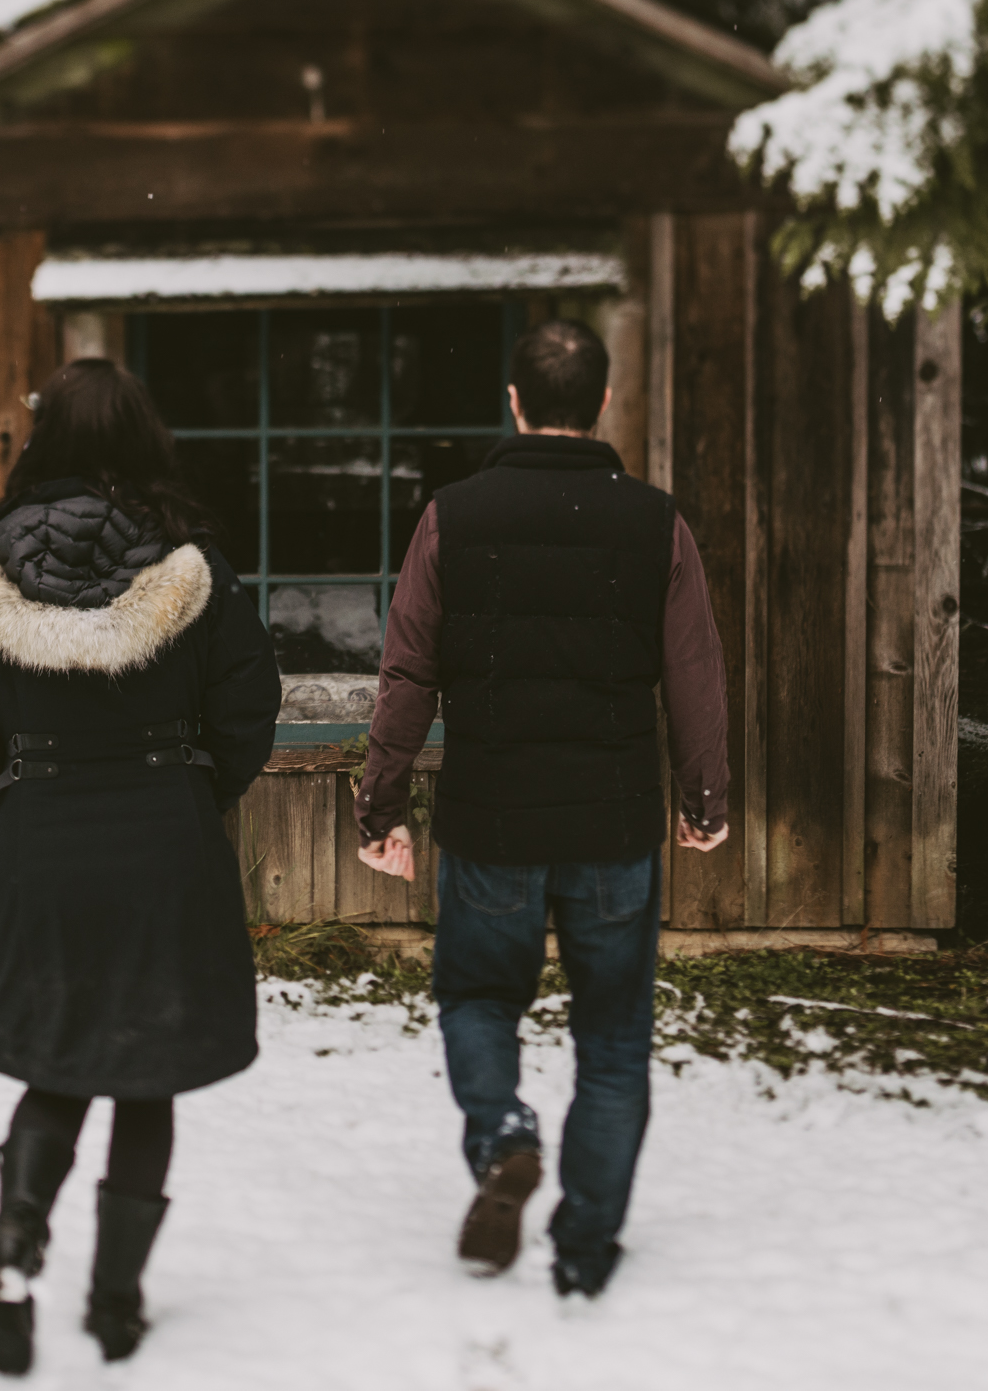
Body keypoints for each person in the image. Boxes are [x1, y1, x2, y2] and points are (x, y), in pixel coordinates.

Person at [354, 317, 729, 1299]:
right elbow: (694, 673)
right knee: (612, 1041)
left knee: (478, 999)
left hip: (493, 823)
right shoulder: (657, 523)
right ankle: (585, 1249)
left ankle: (504, 1133)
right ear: (603, 403)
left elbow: (406, 674)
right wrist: (704, 795)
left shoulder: (452, 517)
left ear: (514, 402)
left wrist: (379, 807)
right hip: (612, 828)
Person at [0, 357, 280, 1376]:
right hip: (165, 841)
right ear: (143, 438)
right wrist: (197, 795)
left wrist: (3, 793)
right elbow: (251, 701)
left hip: (40, 837)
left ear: (44, 441)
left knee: (56, 1061)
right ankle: (117, 1305)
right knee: (146, 1073)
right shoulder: (191, 563)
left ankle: (16, 1244)